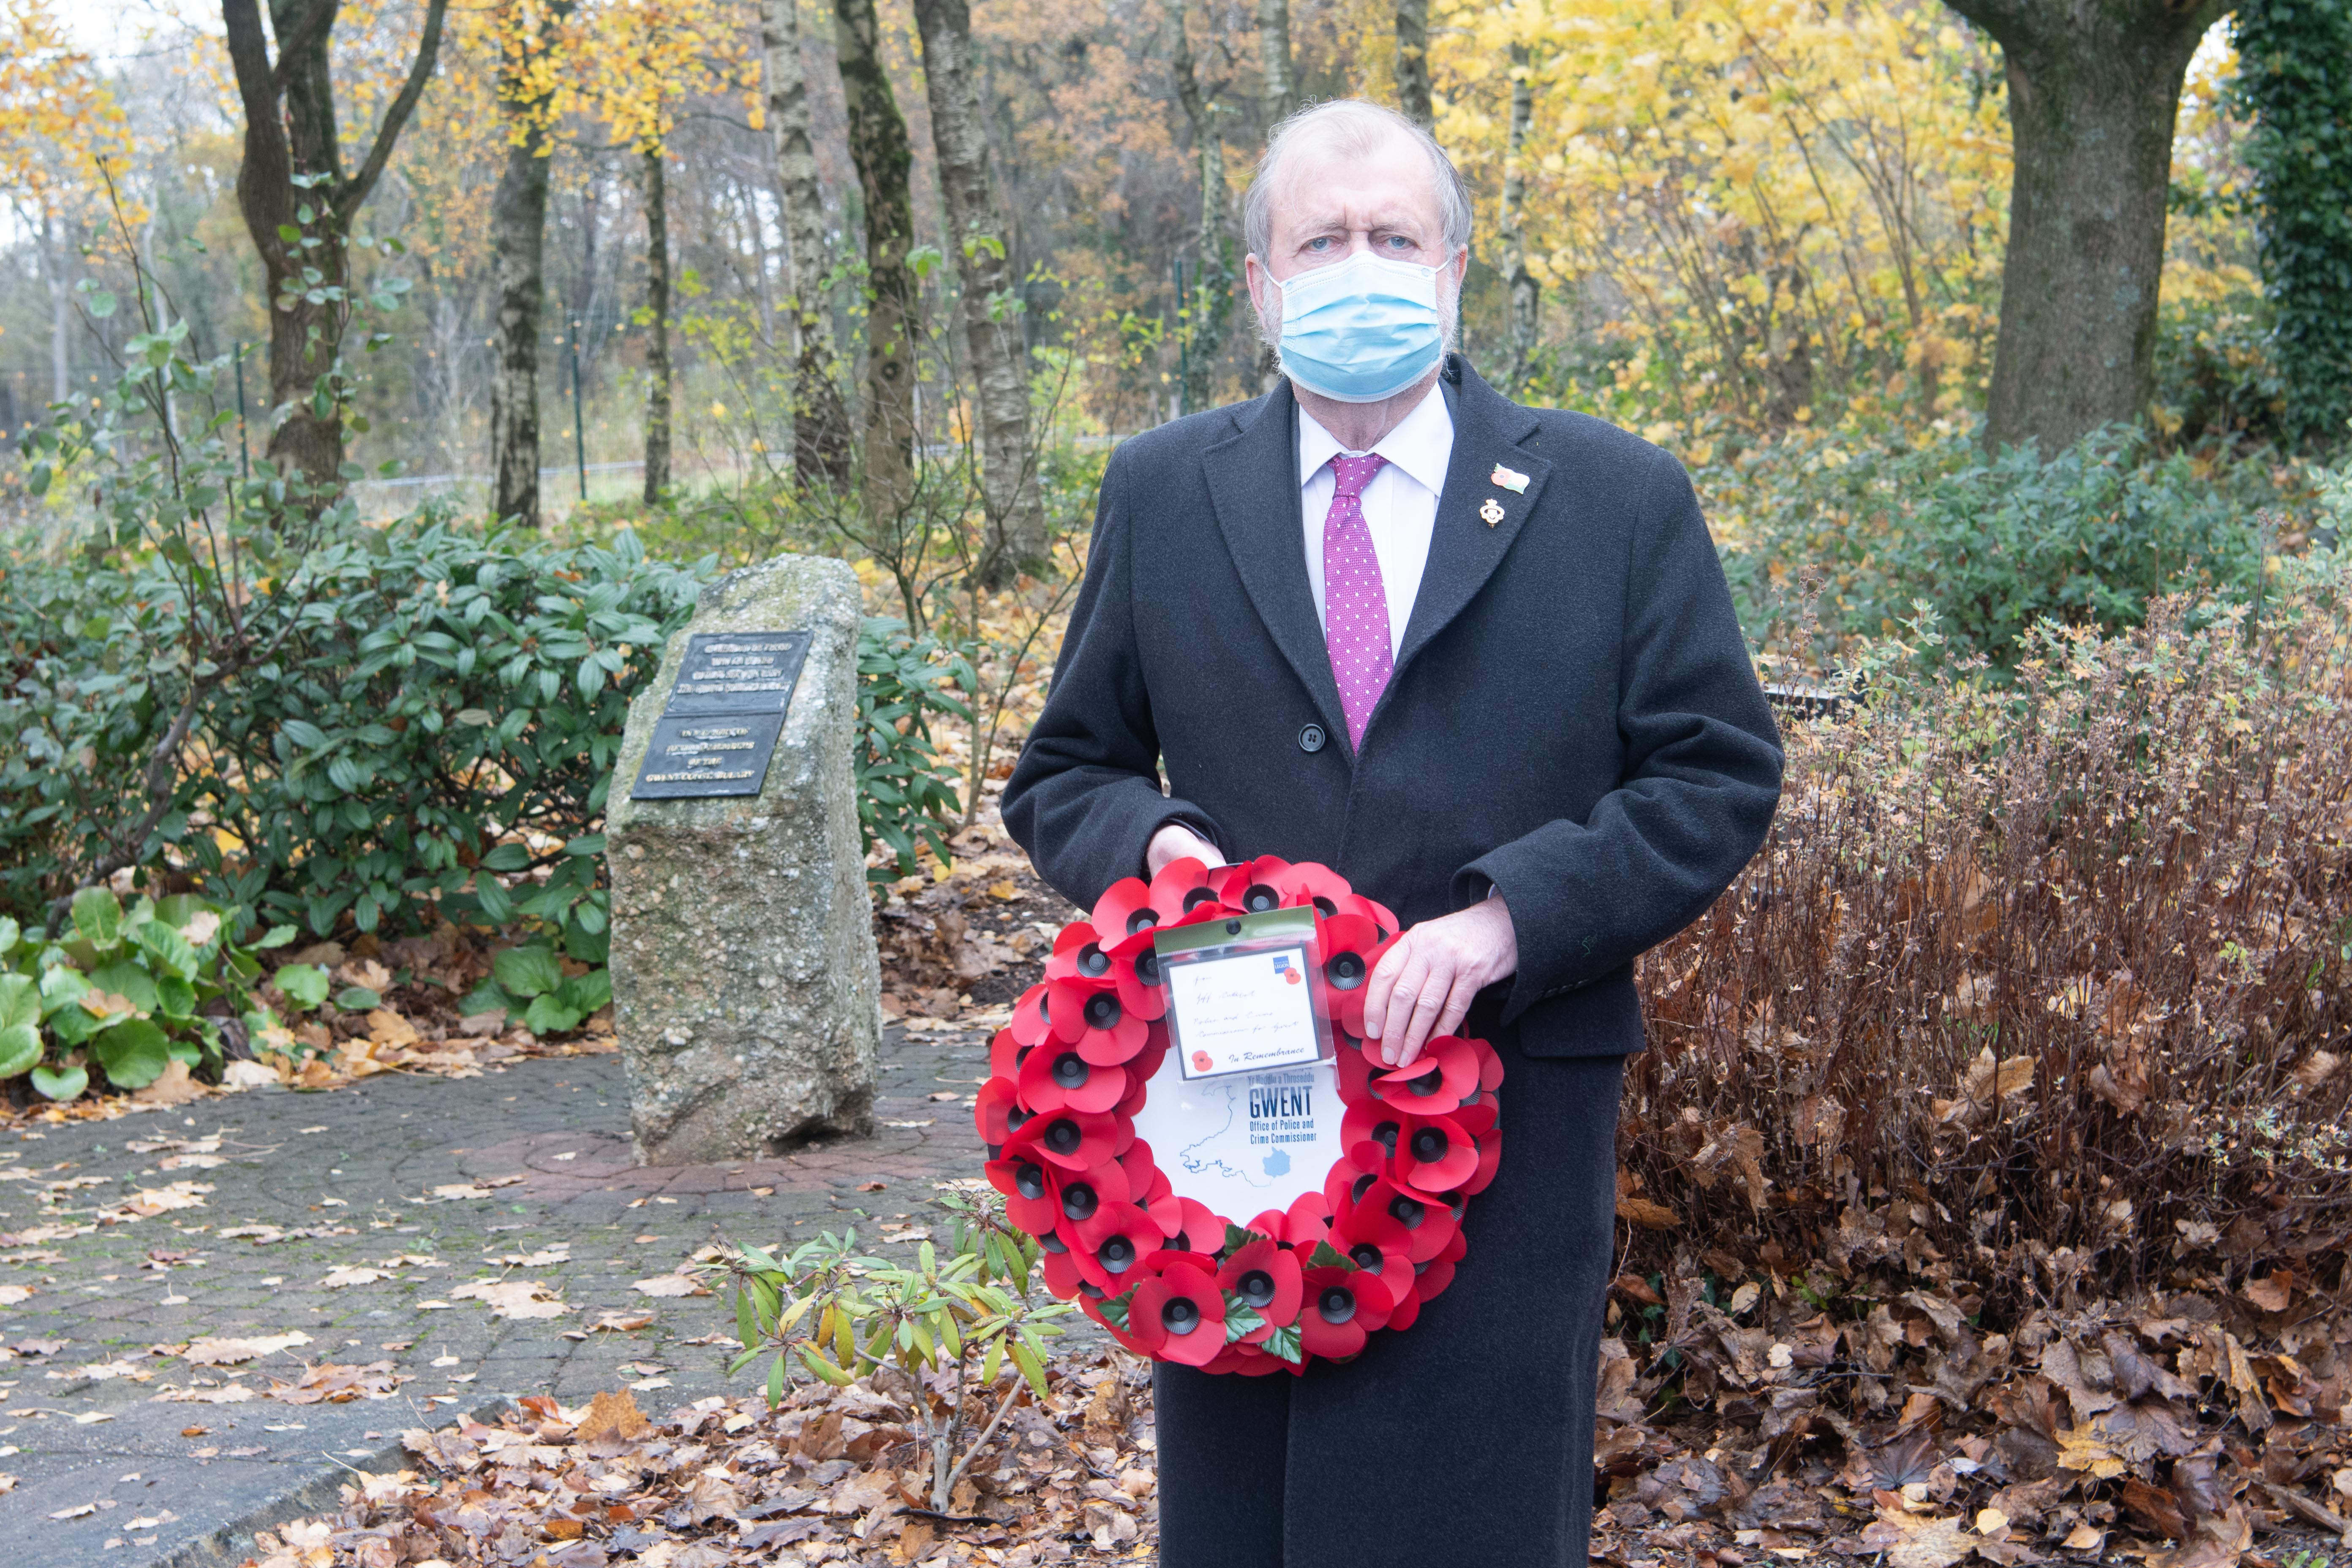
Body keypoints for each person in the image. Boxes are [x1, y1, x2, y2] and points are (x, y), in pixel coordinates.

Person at [1001, 98, 1782, 1568]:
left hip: (1503, 1121)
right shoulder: (1164, 493)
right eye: (1323, 239)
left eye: (1393, 237)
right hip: (1227, 1143)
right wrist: (1157, 849)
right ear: (1259, 284)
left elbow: (1715, 773)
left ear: (1455, 268)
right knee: (1254, 1523)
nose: (1360, 264)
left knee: (1467, 1514)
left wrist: (1511, 919)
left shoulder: (1615, 499)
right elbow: (1066, 769)